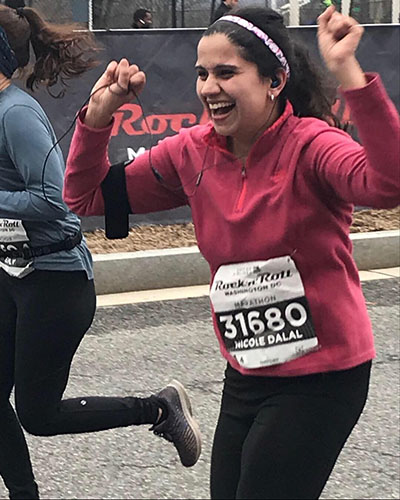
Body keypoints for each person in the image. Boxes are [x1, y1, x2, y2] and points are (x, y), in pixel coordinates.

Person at [64, 4, 400, 499]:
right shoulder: (190, 153)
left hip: (322, 376)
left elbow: (389, 182)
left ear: (274, 81)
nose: (208, 88)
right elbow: (87, 197)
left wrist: (348, 70)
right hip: (247, 370)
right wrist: (98, 115)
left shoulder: (312, 146)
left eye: (226, 73)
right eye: (202, 74)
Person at [0, 5, 201, 500]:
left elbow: (53, 200)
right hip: (11, 273)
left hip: (55, 279)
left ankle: (157, 408)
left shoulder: (16, 113)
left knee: (39, 414)